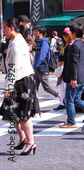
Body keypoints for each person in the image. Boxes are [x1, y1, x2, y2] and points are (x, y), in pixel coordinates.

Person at [1, 17, 39, 155]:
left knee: (24, 115)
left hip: (22, 81)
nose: (2, 30)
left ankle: (31, 142)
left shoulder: (17, 43)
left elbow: (15, 67)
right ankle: (23, 139)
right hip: (19, 80)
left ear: (11, 28)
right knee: (14, 114)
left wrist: (8, 88)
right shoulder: (14, 41)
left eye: (4, 27)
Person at [58, 23, 84, 128]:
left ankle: (71, 122)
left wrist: (73, 79)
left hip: (75, 77)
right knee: (76, 99)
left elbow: (74, 63)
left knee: (69, 100)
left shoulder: (74, 45)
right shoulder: (81, 43)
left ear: (73, 32)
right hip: (82, 76)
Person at [32, 25, 60, 100]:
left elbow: (42, 56)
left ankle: (60, 96)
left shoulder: (44, 42)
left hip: (43, 68)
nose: (34, 32)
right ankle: (35, 108)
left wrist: (35, 66)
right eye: (33, 31)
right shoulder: (37, 41)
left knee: (46, 87)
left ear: (41, 33)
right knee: (34, 88)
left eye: (35, 31)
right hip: (38, 68)